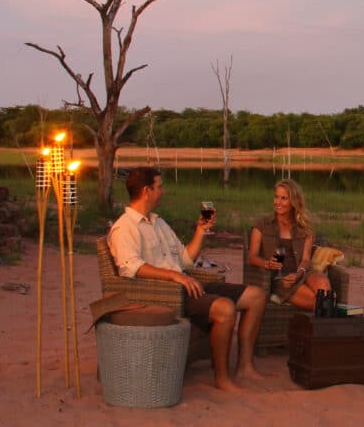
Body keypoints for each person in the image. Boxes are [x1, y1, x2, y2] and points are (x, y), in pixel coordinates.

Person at [107, 167, 266, 391]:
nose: (163, 191)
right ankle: (222, 378)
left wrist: (200, 231)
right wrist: (174, 276)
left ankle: (245, 366)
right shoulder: (124, 228)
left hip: (185, 283)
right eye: (159, 186)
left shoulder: (158, 223)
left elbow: (185, 259)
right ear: (146, 190)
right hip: (166, 293)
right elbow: (131, 268)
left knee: (256, 297)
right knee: (225, 308)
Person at [247, 178, 331, 310]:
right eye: (276, 197)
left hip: (302, 273)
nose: (278, 202)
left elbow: (305, 260)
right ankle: (327, 324)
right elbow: (251, 257)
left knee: (324, 286)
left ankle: (326, 322)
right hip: (281, 278)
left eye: (283, 198)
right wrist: (267, 264)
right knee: (319, 303)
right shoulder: (262, 225)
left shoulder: (304, 229)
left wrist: (298, 274)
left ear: (293, 201)